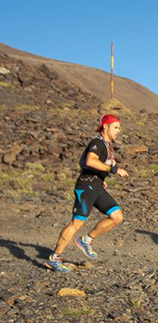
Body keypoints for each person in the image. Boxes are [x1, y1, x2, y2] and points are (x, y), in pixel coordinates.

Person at [45, 114, 129, 272]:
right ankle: (54, 258)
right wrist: (114, 170)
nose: (118, 131)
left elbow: (97, 166)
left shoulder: (109, 147)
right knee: (78, 223)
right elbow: (90, 161)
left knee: (117, 217)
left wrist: (103, 177)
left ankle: (87, 240)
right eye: (115, 127)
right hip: (86, 187)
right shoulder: (97, 142)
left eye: (119, 128)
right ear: (105, 127)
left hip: (97, 187)